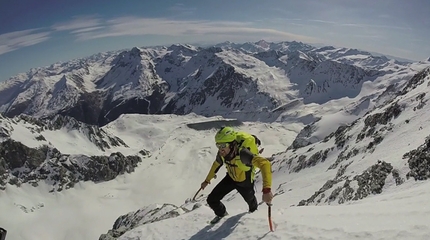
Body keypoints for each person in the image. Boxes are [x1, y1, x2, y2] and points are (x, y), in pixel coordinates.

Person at [200, 126, 274, 223]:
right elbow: (216, 165)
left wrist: (267, 190)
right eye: (218, 146)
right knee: (212, 200)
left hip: (245, 182)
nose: (220, 149)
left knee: (252, 204)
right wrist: (207, 180)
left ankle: (254, 218)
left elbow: (265, 164)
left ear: (231, 144)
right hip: (230, 178)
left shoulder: (243, 153)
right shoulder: (223, 153)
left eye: (223, 146)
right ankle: (222, 215)